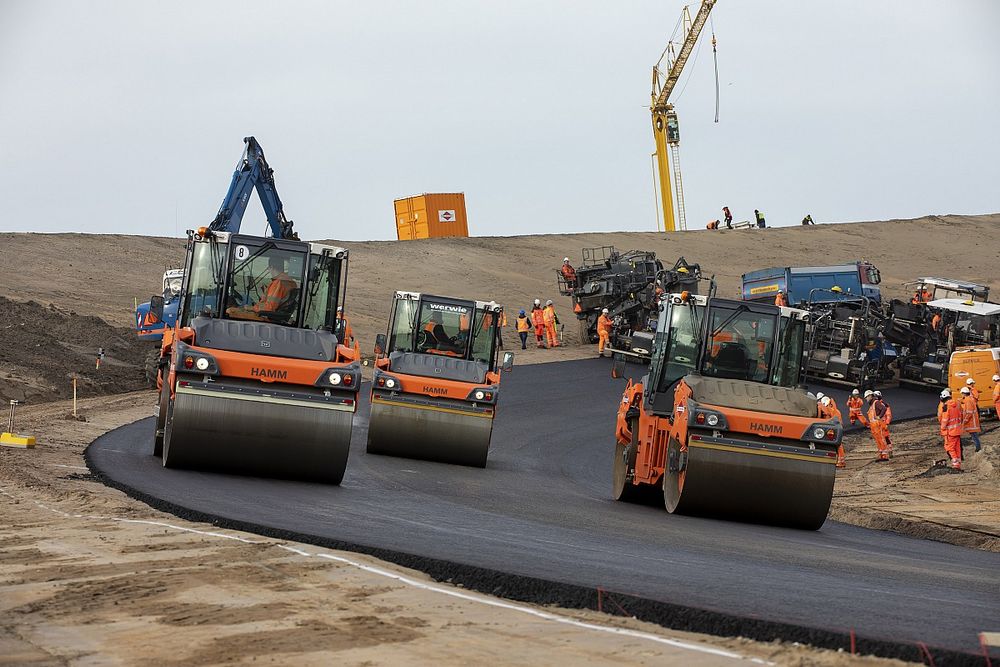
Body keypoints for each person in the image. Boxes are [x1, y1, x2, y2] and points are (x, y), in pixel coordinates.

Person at [228, 255, 297, 321]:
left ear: (271, 267)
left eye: (268, 269)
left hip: (267, 318)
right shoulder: (292, 283)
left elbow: (270, 307)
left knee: (230, 311)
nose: (269, 271)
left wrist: (251, 308)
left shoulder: (278, 283)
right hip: (275, 316)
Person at [940, 389, 964, 470]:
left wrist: (942, 428)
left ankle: (955, 463)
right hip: (958, 429)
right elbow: (962, 413)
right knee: (957, 447)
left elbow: (945, 420)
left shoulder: (946, 407)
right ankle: (958, 463)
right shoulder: (957, 403)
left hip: (950, 432)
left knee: (949, 447)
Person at [819, 396, 845, 468]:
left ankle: (840, 461)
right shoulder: (836, 410)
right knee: (838, 445)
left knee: (837, 445)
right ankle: (840, 460)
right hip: (837, 429)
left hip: (833, 430)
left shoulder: (829, 410)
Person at [960, 386, 982, 453]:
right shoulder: (970, 399)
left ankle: (978, 448)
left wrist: (964, 421)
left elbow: (969, 412)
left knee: (974, 436)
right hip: (973, 421)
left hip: (972, 422)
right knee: (974, 436)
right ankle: (978, 448)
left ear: (964, 393)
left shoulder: (968, 400)